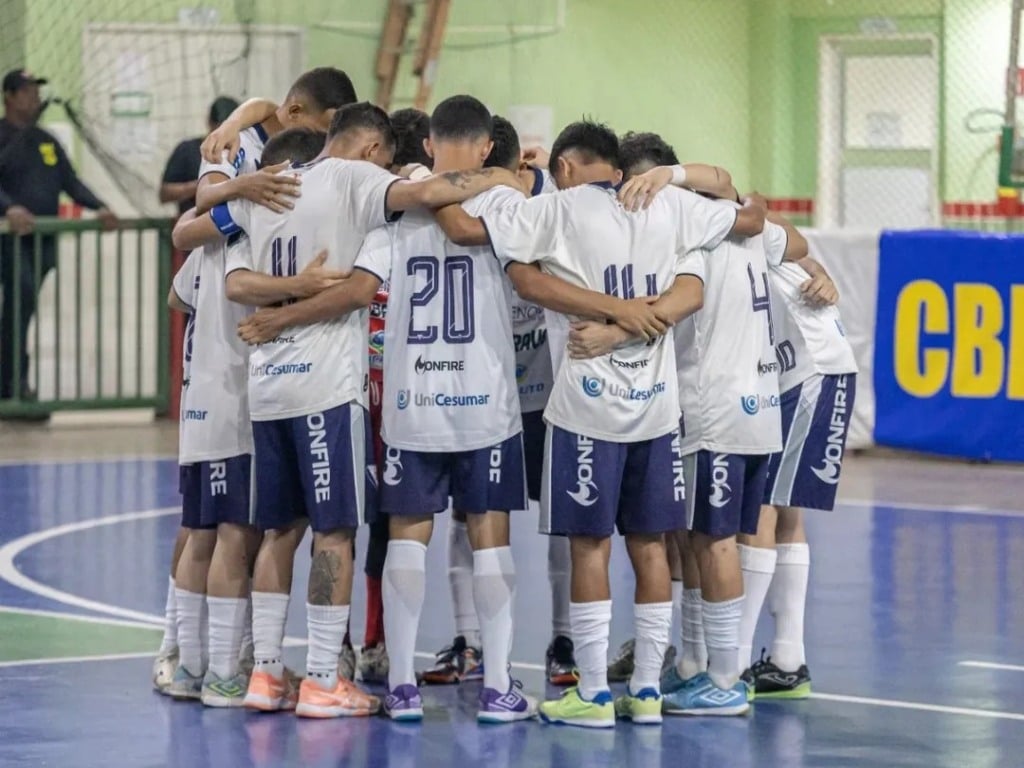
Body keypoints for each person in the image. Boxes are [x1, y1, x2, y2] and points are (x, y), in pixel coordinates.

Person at [173, 101, 525, 719]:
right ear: (371, 153)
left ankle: (263, 676)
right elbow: (431, 201)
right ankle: (319, 680)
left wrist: (280, 301)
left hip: (266, 388)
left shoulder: (272, 183)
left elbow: (230, 281)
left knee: (278, 530)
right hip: (326, 390)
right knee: (334, 532)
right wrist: (500, 176)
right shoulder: (359, 181)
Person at [437, 119, 765, 728]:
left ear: (565, 166)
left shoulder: (560, 210)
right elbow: (748, 217)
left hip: (584, 409)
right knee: (649, 547)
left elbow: (481, 243)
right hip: (658, 411)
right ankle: (644, 691)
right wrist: (631, 310)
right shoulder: (672, 207)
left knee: (589, 547)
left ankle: (590, 693)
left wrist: (491, 177)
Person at [159, 128, 344, 706]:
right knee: (234, 534)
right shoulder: (248, 215)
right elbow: (188, 233)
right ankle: (219, 672)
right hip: (235, 395)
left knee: (202, 531)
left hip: (200, 401)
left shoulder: (227, 222)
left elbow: (178, 295)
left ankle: (194, 664)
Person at [739, 215, 855, 701]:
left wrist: (823, 274)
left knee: (761, 506)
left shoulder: (740, 221)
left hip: (811, 371)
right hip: (808, 369)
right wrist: (822, 274)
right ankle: (787, 660)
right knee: (785, 507)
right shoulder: (738, 223)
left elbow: (799, 247)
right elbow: (803, 252)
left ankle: (732, 665)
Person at [358, 107, 434, 687]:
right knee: (398, 521)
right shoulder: (433, 204)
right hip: (415, 385)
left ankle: (338, 644)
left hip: (355, 381)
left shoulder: (359, 194)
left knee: (328, 519)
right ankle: (378, 643)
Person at [0, 68, 117, 401]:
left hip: (42, 244)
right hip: (10, 242)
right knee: (17, 305)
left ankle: (13, 386)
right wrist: (9, 208)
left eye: (36, 90)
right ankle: (12, 387)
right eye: (26, 90)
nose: (34, 96)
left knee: (21, 312)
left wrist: (100, 206)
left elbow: (71, 182)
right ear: (9, 96)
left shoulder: (45, 140)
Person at [159, 96, 240, 215]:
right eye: (219, 129)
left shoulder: (242, 152)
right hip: (194, 223)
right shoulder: (187, 150)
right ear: (210, 123)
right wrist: (202, 185)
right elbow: (165, 193)